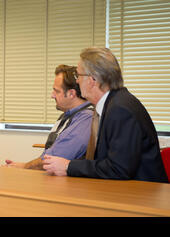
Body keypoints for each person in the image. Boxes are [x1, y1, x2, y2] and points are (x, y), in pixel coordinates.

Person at [43, 47, 168, 183]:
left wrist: (68, 166)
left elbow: (119, 168)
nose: (77, 81)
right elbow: (102, 159)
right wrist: (68, 165)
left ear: (93, 80)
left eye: (78, 75)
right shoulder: (111, 104)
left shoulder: (120, 109)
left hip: (143, 195)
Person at [4, 65, 93, 169]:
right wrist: (22, 166)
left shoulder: (86, 118)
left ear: (71, 94)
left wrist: (25, 167)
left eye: (56, 91)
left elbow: (53, 158)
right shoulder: (66, 116)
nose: (52, 95)